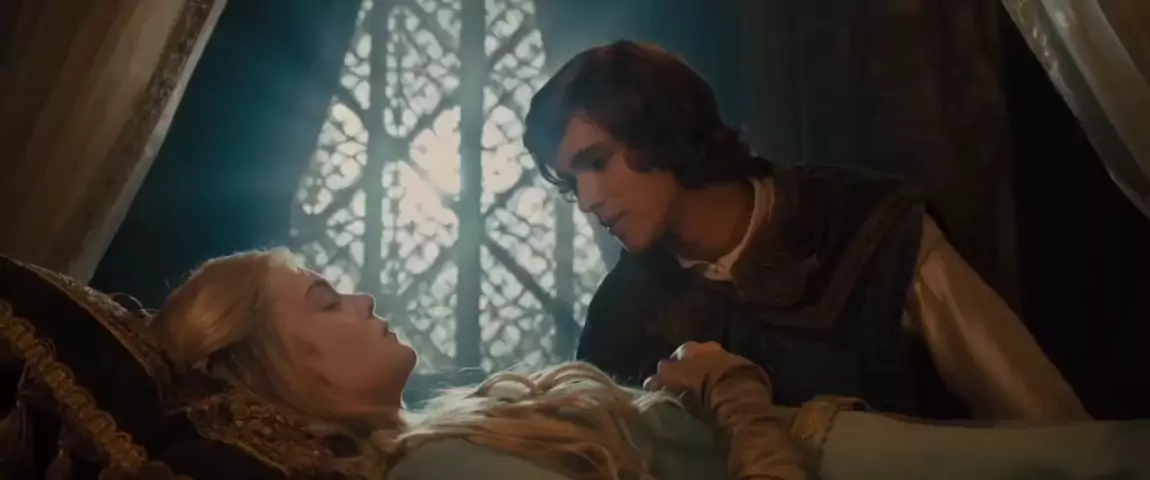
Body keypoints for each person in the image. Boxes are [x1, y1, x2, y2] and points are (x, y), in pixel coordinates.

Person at [148, 250, 1150, 479]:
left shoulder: (441, 435)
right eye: (326, 301)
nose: (363, 300)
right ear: (269, 364)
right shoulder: (437, 469)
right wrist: (732, 395)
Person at [523, 40, 1089, 422]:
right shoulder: (621, 314)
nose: (588, 200)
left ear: (661, 128)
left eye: (597, 162)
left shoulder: (869, 229)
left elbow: (1046, 429)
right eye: (572, 183)